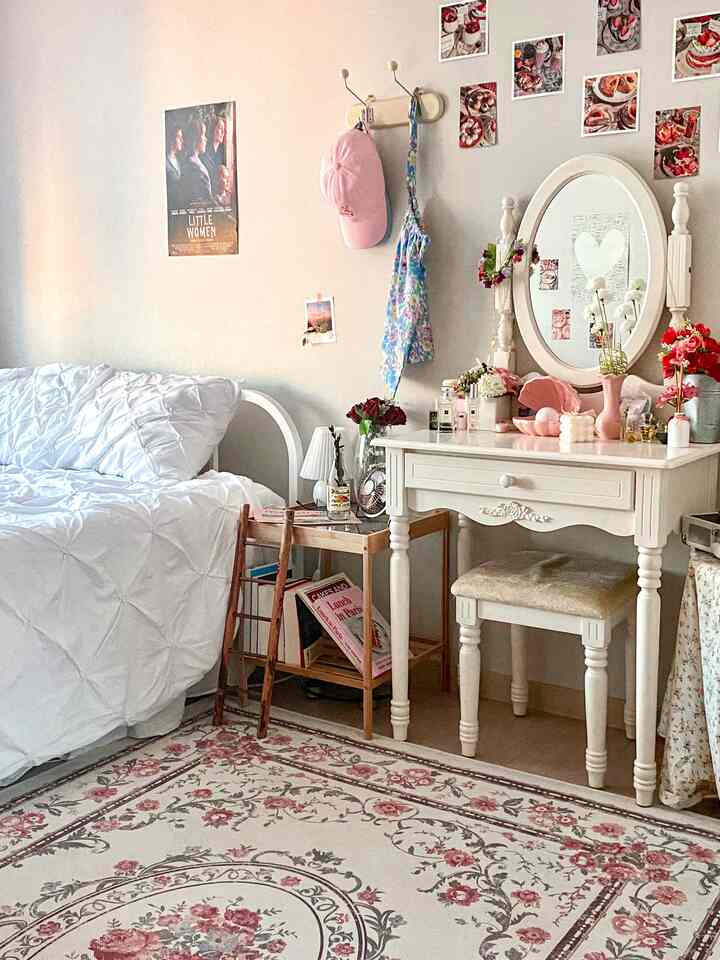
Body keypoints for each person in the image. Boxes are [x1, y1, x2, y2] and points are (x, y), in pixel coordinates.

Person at [181, 117, 213, 205]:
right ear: (196, 138)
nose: (206, 139)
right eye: (204, 135)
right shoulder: (194, 166)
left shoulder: (193, 161)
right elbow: (204, 200)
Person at [203, 115, 227, 190]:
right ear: (213, 129)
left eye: (224, 129)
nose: (223, 132)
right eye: (220, 128)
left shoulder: (222, 152)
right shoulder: (204, 150)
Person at [165, 122, 184, 210]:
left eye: (182, 137)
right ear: (172, 139)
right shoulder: (165, 161)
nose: (182, 140)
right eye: (179, 137)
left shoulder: (179, 160)